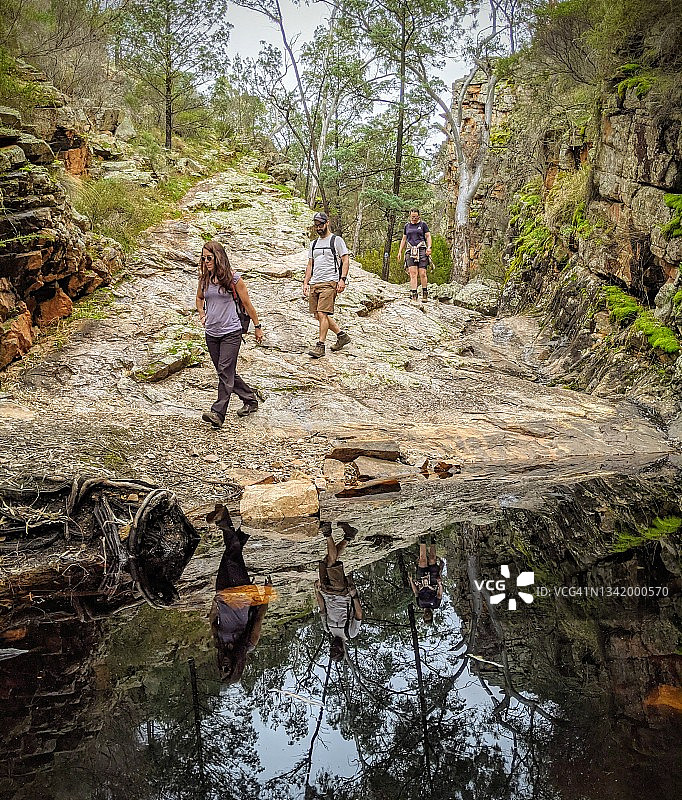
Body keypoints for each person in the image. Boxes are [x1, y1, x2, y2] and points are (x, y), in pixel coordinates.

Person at [196, 240, 263, 428]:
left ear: (218, 257)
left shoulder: (234, 279)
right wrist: (202, 314)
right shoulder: (204, 279)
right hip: (211, 333)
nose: (206, 261)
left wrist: (257, 326)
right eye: (203, 258)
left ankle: (218, 413)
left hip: (231, 332)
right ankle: (250, 399)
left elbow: (247, 304)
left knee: (225, 370)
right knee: (225, 372)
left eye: (209, 258)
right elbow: (199, 299)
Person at [207, 504, 275, 683]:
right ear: (236, 667)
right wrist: (267, 593)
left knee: (230, 554)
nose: (224, 666)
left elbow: (212, 621)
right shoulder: (248, 644)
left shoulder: (219, 643)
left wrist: (214, 604)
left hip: (222, 592)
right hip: (242, 594)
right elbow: (259, 617)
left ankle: (249, 523)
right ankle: (223, 519)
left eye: (221, 668)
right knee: (232, 556)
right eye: (227, 670)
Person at [303, 212, 351, 359]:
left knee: (323, 313)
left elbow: (345, 260)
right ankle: (341, 336)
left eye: (321, 225)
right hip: (315, 283)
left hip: (330, 282)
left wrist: (342, 279)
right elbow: (310, 264)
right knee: (317, 314)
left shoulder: (336, 241)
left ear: (327, 223)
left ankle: (320, 346)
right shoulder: (313, 244)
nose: (318, 228)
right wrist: (306, 282)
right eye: (316, 226)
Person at [314, 521, 362, 661]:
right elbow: (358, 614)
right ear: (343, 650)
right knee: (331, 563)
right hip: (341, 592)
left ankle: (348, 536)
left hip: (326, 591)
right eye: (336, 650)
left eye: (331, 649)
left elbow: (323, 609)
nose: (333, 647)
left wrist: (316, 592)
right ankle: (327, 533)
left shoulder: (327, 628)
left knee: (327, 561)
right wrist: (354, 595)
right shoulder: (350, 633)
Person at [397, 209, 432, 303]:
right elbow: (404, 239)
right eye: (412, 217)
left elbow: (428, 236)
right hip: (410, 250)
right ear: (410, 216)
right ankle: (414, 294)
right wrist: (400, 251)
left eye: (416, 217)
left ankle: (425, 293)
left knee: (422, 273)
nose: (414, 218)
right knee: (413, 273)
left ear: (419, 216)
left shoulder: (423, 225)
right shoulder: (407, 226)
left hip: (421, 249)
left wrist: (429, 247)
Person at [409, 536, 443, 624]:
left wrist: (411, 581)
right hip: (433, 582)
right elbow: (439, 594)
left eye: (426, 616)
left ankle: (423, 540)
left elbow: (416, 592)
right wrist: (440, 584)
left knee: (422, 561)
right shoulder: (435, 605)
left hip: (421, 582)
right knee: (432, 559)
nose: (427, 614)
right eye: (429, 616)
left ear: (423, 616)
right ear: (432, 615)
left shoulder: (419, 604)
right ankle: (433, 540)